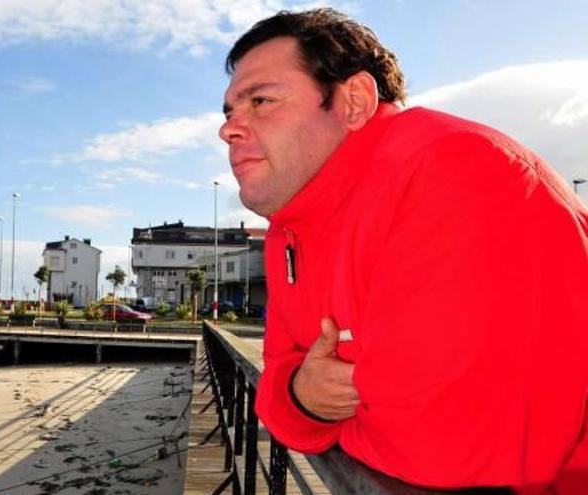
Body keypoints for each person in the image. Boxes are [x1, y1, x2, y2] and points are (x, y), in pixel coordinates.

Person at [219, 8, 588, 494]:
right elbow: (277, 393)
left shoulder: (458, 171)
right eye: (229, 113)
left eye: (261, 101)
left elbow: (443, 450)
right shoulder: (290, 228)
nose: (229, 129)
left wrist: (314, 412)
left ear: (354, 100)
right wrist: (302, 397)